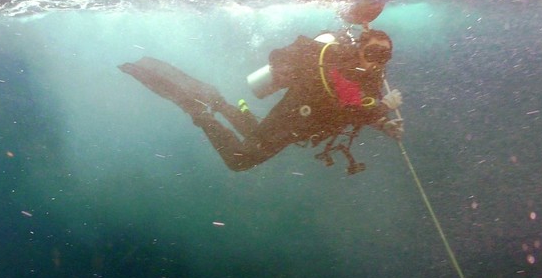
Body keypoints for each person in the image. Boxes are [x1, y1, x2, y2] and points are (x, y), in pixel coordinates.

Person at [119, 25, 404, 172]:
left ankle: (217, 103)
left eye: (384, 56)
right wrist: (379, 110)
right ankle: (199, 112)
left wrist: (383, 122)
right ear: (359, 50)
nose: (376, 62)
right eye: (372, 54)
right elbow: (348, 101)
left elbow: (359, 108)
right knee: (240, 161)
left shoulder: (371, 77)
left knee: (254, 134)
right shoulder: (340, 65)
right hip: (293, 118)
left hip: (299, 126)